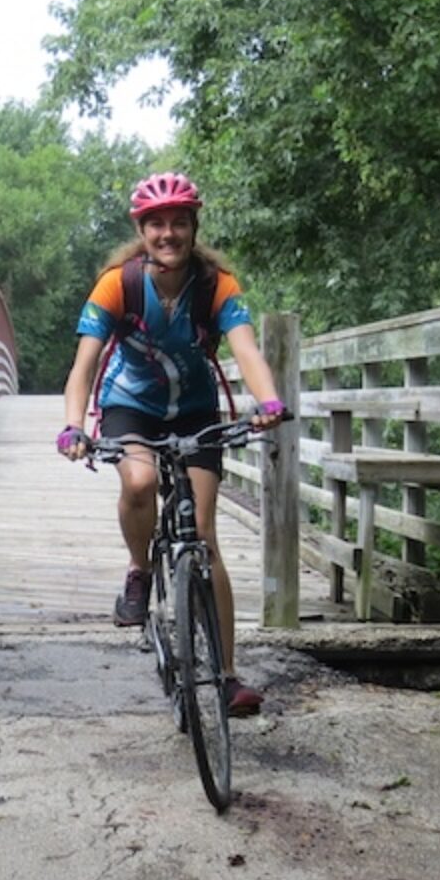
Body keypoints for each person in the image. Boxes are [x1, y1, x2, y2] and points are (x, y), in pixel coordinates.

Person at [55, 172, 285, 717]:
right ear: (142, 229)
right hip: (130, 404)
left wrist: (268, 401)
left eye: (179, 222)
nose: (168, 233)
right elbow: (83, 365)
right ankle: (140, 570)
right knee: (138, 480)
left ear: (193, 227)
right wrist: (72, 425)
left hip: (196, 408)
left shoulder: (217, 284)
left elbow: (246, 351)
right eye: (156, 223)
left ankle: (227, 677)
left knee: (203, 534)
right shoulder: (119, 283)